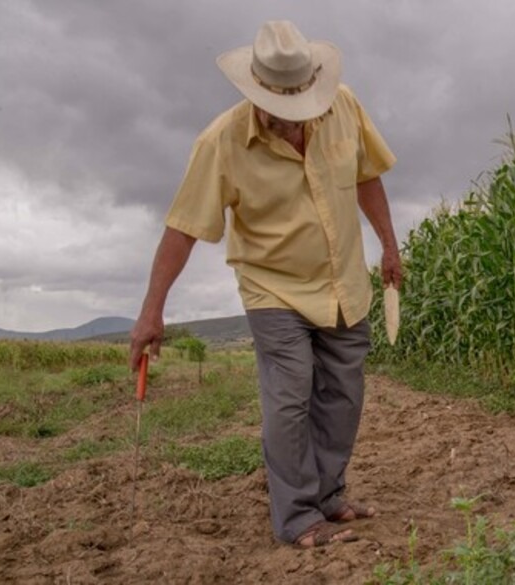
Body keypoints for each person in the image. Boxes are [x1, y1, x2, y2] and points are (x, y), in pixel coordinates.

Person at [129, 20, 401, 548]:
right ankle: (298, 516)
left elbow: (368, 175)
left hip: (343, 279)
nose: (293, 121)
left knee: (343, 395)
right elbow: (183, 228)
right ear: (256, 94)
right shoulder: (221, 143)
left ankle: (328, 496)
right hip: (273, 288)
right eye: (280, 112)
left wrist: (389, 245)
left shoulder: (343, 106)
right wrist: (151, 311)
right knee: (291, 393)